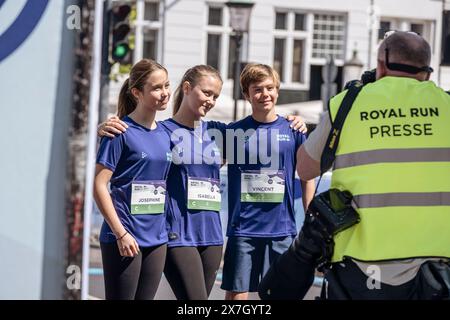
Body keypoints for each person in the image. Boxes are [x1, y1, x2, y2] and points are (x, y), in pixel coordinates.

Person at [262, 31, 450, 300]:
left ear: (381, 66)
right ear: (428, 73)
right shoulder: (447, 107)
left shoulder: (348, 104)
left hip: (361, 267)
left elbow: (304, 169)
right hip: (437, 270)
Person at [98, 65, 309, 300]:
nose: (211, 101)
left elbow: (258, 133)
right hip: (178, 235)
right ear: (187, 88)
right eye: (207, 93)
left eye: (216, 96)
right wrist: (104, 128)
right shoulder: (162, 132)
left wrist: (293, 123)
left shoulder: (218, 133)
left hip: (212, 237)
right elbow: (136, 144)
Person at [221, 63, 316, 300]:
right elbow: (205, 167)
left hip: (281, 230)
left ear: (277, 90)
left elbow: (307, 177)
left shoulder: (294, 129)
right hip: (243, 228)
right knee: (236, 292)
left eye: (270, 88)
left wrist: (311, 216)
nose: (265, 94)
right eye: (257, 89)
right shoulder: (234, 132)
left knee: (282, 293)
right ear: (246, 94)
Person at [93, 59, 172, 300]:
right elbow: (98, 185)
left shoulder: (168, 132)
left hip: (157, 239)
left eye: (167, 85)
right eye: (157, 87)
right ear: (137, 92)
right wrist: (121, 233)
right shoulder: (119, 131)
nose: (165, 93)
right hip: (124, 237)